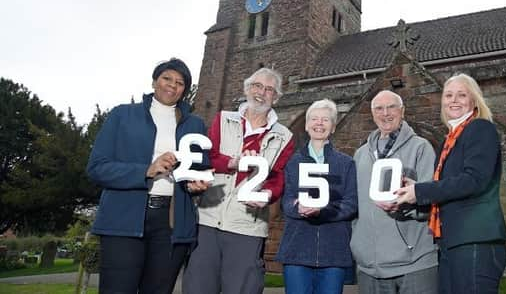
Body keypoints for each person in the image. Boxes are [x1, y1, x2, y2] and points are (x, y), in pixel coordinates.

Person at [86, 58, 210, 294]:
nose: (172, 85)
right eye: (166, 78)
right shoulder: (122, 115)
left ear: (185, 89)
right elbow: (97, 167)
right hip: (124, 219)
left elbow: (200, 170)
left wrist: (197, 185)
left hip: (172, 224)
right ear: (154, 81)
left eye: (180, 82)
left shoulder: (196, 125)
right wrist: (146, 170)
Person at [183, 67, 295, 294]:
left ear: (276, 97)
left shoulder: (285, 136)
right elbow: (209, 157)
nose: (262, 92)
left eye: (269, 89)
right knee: (198, 287)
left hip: (248, 227)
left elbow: (279, 177)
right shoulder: (222, 119)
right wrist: (233, 162)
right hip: (208, 220)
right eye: (257, 86)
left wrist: (267, 195)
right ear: (246, 89)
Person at [394, 73, 506, 294]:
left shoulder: (480, 128)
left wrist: (419, 190)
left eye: (461, 95)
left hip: (475, 240)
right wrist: (412, 190)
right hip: (451, 242)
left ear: (474, 101)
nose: (453, 100)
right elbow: (449, 187)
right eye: (448, 95)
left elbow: (474, 180)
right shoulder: (451, 139)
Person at [350, 90, 439, 294]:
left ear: (402, 111)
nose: (385, 113)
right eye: (379, 108)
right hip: (369, 266)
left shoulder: (421, 148)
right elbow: (356, 205)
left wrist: (407, 205)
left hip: (414, 262)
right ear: (372, 114)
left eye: (392, 107)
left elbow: (432, 200)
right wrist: (358, 243)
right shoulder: (361, 154)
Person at [276, 99, 358, 294]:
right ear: (306, 125)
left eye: (325, 120)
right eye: (314, 119)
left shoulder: (346, 163)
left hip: (333, 251)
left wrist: (325, 211)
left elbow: (351, 204)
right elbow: (285, 201)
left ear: (333, 127)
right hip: (297, 249)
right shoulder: (292, 162)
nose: (319, 123)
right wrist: (297, 208)